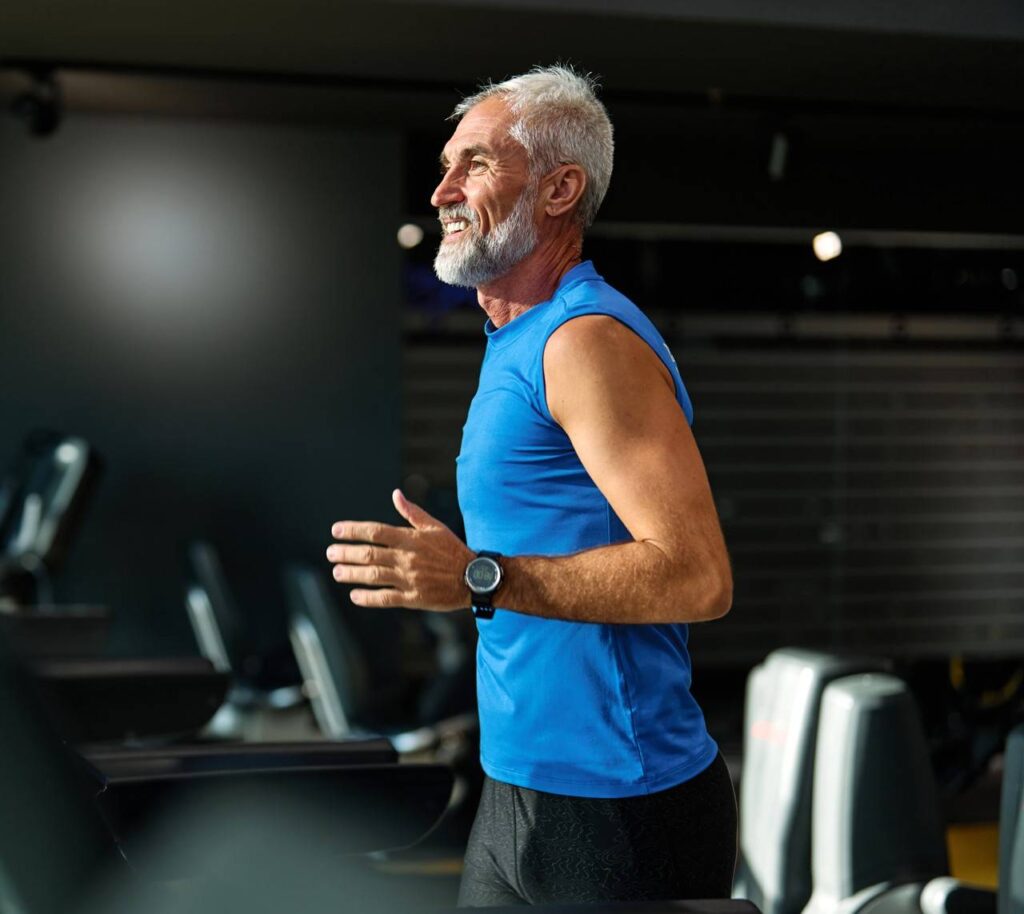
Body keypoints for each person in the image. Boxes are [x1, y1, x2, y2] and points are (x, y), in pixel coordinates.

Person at [326, 65, 736, 907]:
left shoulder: (585, 340)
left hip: (622, 799)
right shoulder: (513, 339)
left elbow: (698, 576)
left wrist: (480, 575)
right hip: (518, 780)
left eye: (475, 163)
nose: (442, 189)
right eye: (446, 164)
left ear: (560, 188)